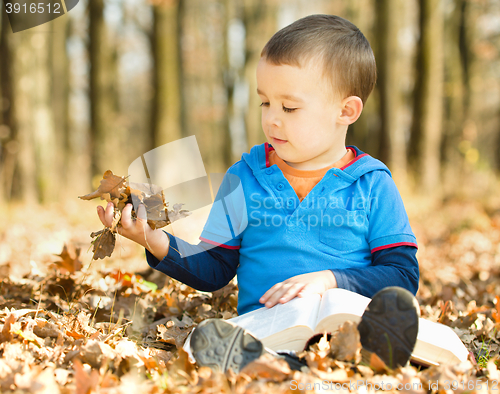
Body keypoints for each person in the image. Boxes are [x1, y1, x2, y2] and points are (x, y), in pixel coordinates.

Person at [97, 14, 420, 372]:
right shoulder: (245, 177)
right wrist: (153, 239)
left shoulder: (372, 183)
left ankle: (366, 352)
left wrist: (332, 280)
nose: (272, 119)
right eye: (265, 102)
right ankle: (270, 365)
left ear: (346, 111)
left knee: (367, 325)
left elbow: (402, 274)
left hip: (346, 325)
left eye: (289, 107)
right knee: (217, 341)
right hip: (267, 330)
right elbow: (216, 268)